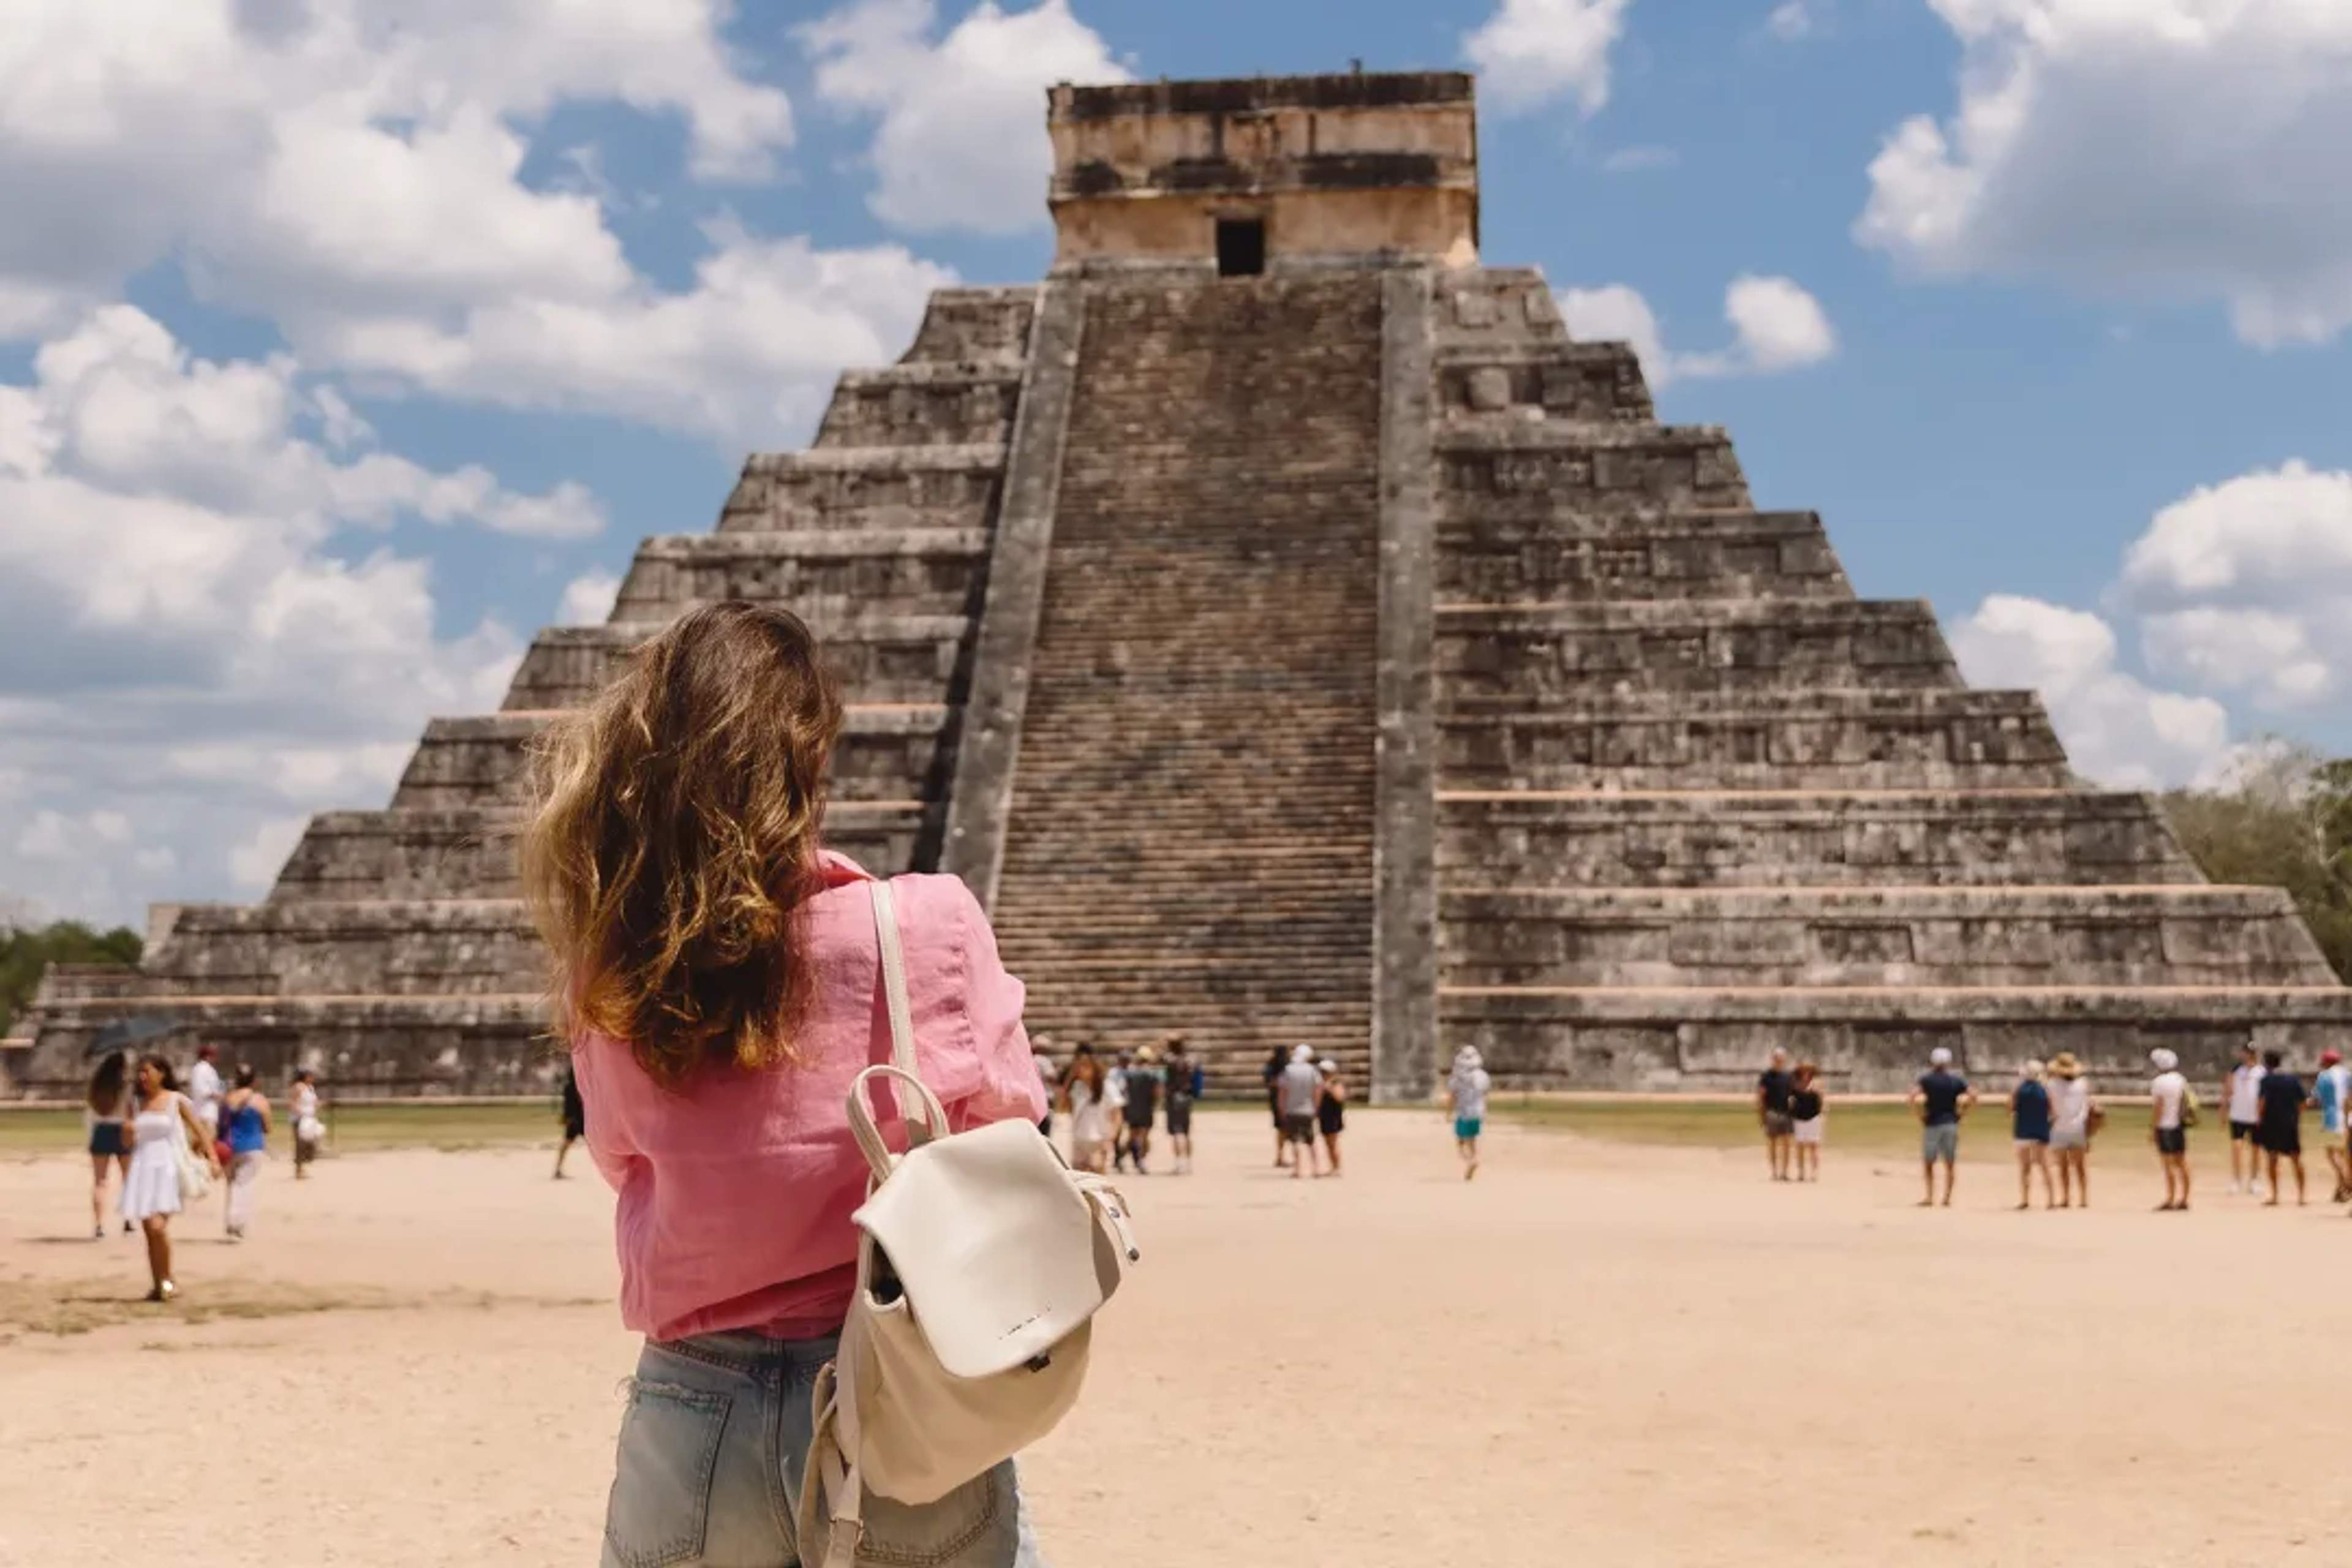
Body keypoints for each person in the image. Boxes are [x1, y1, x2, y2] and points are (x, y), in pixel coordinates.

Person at [523, 602, 1052, 1567]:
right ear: (812, 756)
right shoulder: (931, 924)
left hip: (692, 1420)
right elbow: (1012, 1128)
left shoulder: (617, 971)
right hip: (900, 1403)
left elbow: (619, 1157)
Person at [119, 1053, 218, 1302]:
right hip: (143, 1165)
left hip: (168, 1166)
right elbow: (127, 1142)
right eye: (141, 1072)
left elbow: (200, 1131)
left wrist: (213, 1158)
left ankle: (167, 1279)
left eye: (148, 1071)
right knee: (149, 1230)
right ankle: (160, 1282)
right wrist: (128, 1131)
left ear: (162, 1074)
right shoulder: (135, 1103)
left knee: (157, 1226)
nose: (143, 1076)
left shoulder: (176, 1100)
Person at [1907, 1046, 1976, 1208]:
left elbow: (1912, 1096)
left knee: (1929, 1162)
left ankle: (1930, 1196)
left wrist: (1920, 1115)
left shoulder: (1927, 1080)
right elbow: (1974, 1095)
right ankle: (1947, 1197)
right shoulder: (1956, 1080)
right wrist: (1962, 1113)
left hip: (1932, 1124)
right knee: (1950, 1163)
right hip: (1950, 1123)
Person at [85, 1052, 133, 1239]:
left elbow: (90, 1111)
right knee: (127, 1179)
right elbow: (130, 1111)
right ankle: (128, 1220)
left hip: (101, 1131)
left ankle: (99, 1225)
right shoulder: (126, 1087)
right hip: (121, 1130)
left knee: (100, 1182)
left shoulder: (96, 1087)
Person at [220, 1065, 271, 1240]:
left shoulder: (228, 1098)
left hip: (231, 1146)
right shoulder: (260, 1100)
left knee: (232, 1185)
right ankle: (237, 1223)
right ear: (254, 1080)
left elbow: (221, 1124)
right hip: (253, 1147)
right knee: (244, 1185)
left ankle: (230, 1221)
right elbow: (268, 1127)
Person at [2255, 1049, 2309, 1207]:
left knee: (2272, 1159)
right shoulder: (2293, 1080)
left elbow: (2262, 1103)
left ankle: (2275, 1195)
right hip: (2290, 1124)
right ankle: (2301, 1196)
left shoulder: (2266, 1080)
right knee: (2296, 1159)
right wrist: (2295, 1116)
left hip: (2271, 1124)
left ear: (2266, 1064)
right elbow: (2303, 1103)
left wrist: (2259, 1119)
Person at [2048, 1052, 2098, 1208]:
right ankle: (2084, 1198)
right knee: (2081, 1166)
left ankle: (2066, 1198)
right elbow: (2089, 1104)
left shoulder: (2052, 1085)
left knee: (2063, 1167)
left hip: (2059, 1127)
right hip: (2078, 1127)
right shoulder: (2082, 1084)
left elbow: (2050, 1107)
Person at [2150, 1047, 2193, 1212]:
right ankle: (2185, 1198)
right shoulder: (2180, 1080)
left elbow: (2158, 1108)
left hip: (2165, 1126)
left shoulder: (2158, 1083)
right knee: (2182, 1162)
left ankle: (2170, 1197)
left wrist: (2153, 1128)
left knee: (2168, 1164)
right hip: (2178, 1125)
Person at [2010, 1060, 2054, 1210]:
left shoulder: (2019, 1090)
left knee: (2025, 1168)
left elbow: (2010, 1107)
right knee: (2045, 1166)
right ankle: (2051, 1199)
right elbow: (2053, 1112)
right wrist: (2048, 1126)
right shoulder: (2045, 1090)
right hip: (2040, 1133)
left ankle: (2025, 1199)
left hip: (2022, 1132)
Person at [2225, 1041, 2266, 1194]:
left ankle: (2254, 1180)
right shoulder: (2236, 1071)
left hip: (2256, 1117)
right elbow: (2228, 1090)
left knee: (2256, 1149)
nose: (2249, 1055)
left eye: (2252, 1052)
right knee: (2237, 1147)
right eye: (2247, 1052)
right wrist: (2224, 1110)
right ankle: (2236, 1180)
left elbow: (2264, 1095)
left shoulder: (2262, 1072)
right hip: (2238, 1115)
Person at [1276, 1045, 1323, 1180]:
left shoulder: (1288, 1071)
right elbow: (1318, 1090)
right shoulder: (1313, 1071)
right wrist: (1316, 1107)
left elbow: (1282, 1093)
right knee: (1311, 1140)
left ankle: (1298, 1169)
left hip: (1292, 1110)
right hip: (1308, 1109)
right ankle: (1316, 1168)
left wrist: (1282, 1109)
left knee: (1296, 1140)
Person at [1063, 1050, 1112, 1174]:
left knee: (1098, 1174)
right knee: (1080, 1180)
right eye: (1079, 1067)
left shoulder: (1107, 1087)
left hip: (1099, 1139)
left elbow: (1117, 1115)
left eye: (1085, 1067)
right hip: (1080, 1138)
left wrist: (1111, 1138)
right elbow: (1063, 1106)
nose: (1080, 1070)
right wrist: (1070, 1078)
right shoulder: (1077, 1087)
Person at [1447, 1045, 1491, 1182]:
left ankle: (1470, 1161)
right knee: (1472, 1140)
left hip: (1464, 1113)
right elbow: (1485, 1094)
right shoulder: (1483, 1076)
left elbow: (1453, 1097)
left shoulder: (1458, 1078)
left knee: (1461, 1144)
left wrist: (1448, 1113)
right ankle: (1474, 1159)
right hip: (1478, 1112)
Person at [2314, 1049, 2349, 1202]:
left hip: (2331, 1117)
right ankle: (2340, 1187)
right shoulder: (2348, 1075)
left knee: (2332, 1154)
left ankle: (2347, 1183)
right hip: (2348, 1117)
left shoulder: (2324, 1076)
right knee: (2343, 1154)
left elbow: (2317, 1097)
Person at [1757, 1047, 1796, 1182]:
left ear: (1784, 1060)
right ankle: (1774, 1172)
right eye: (1776, 1058)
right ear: (1773, 1059)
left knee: (1787, 1144)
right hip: (1772, 1112)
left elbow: (1793, 1095)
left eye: (1781, 1059)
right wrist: (1762, 1115)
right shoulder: (1766, 1076)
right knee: (1772, 1144)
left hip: (1786, 1113)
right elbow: (1761, 1097)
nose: (1778, 1061)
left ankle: (1784, 1173)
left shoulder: (1788, 1077)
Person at [1122, 1045, 1161, 1175]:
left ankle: (1120, 1156)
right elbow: (1157, 1092)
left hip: (1133, 1108)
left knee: (1132, 1135)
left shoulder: (1130, 1073)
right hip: (1146, 1108)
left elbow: (1125, 1091)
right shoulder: (1152, 1074)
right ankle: (1141, 1161)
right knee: (1144, 1136)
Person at [1162, 1036, 1197, 1175]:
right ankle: (1188, 1163)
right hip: (1187, 1097)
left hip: (1173, 1098)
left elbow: (1158, 1056)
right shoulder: (1190, 1060)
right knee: (1187, 1132)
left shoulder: (1170, 1060)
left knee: (1176, 1132)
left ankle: (1178, 1163)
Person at [1788, 1062, 1824, 1182]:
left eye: (1808, 1070)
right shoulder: (1795, 1084)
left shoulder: (1817, 1083)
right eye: (1803, 1070)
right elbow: (1790, 1099)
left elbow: (1822, 1100)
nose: (1806, 1073)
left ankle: (1814, 1173)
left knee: (1814, 1147)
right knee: (1800, 1147)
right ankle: (1801, 1172)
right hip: (1799, 1118)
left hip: (1814, 1118)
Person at [554, 1061, 587, 1179]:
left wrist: (566, 1117)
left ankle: (558, 1169)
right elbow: (570, 1105)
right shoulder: (576, 1087)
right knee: (568, 1142)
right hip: (579, 1119)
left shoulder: (570, 1087)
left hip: (576, 1119)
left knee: (567, 1143)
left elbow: (567, 1106)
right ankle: (558, 1169)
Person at [187, 1042, 224, 1144]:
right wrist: (216, 1095)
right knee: (205, 1140)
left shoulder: (210, 1069)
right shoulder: (200, 1069)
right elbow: (200, 1090)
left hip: (211, 1110)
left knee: (209, 1140)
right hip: (203, 1112)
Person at [289, 1069, 323, 1178]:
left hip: (310, 1119)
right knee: (301, 1145)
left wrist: (319, 1104)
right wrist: (300, 1112)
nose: (312, 1078)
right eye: (310, 1076)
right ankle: (299, 1170)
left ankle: (302, 1162)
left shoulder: (311, 1088)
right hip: (299, 1120)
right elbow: (292, 1103)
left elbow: (313, 1102)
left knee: (311, 1144)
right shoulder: (298, 1087)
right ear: (305, 1076)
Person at [1317, 1058, 1348, 1177]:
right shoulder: (1321, 1084)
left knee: (1333, 1143)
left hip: (1333, 1117)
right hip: (1324, 1116)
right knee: (1328, 1144)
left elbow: (1340, 1097)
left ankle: (1337, 1167)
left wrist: (1328, 1088)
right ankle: (1333, 1166)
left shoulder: (1336, 1084)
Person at [1264, 1043, 1292, 1169]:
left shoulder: (1270, 1066)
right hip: (1287, 1100)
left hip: (1276, 1099)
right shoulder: (1287, 1066)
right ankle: (1282, 1157)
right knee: (1286, 1129)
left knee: (1282, 1129)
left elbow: (1269, 1082)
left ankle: (1281, 1156)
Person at [1031, 1032, 1058, 1139]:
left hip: (1034, 1098)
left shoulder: (1031, 1059)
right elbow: (1051, 1077)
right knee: (1045, 1129)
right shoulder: (1044, 1061)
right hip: (1046, 1097)